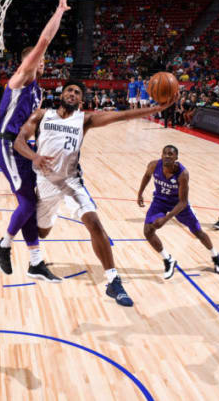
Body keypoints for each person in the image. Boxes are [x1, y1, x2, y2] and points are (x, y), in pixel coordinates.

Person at [14, 80, 177, 306]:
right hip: (45, 183)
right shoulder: (42, 115)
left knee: (94, 223)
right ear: (62, 94)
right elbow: (19, 140)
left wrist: (156, 109)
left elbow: (122, 116)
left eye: (77, 92)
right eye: (69, 90)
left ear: (81, 100)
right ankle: (36, 260)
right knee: (41, 232)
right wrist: (34, 157)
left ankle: (113, 280)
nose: (72, 94)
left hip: (72, 182)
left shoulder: (84, 120)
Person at [0, 0, 71, 282]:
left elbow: (29, 129)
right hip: (5, 143)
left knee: (31, 203)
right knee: (26, 205)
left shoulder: (38, 92)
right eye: (37, 58)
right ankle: (3, 244)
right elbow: (45, 39)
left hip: (22, 146)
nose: (41, 61)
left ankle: (36, 261)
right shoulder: (19, 78)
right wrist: (59, 11)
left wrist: (42, 148)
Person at [138, 145, 219, 279]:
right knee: (148, 231)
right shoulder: (153, 165)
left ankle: (215, 255)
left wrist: (165, 219)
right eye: (165, 153)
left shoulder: (183, 174)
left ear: (176, 158)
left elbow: (183, 201)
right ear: (161, 155)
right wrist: (140, 193)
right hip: (159, 201)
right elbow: (146, 176)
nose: (167, 156)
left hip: (178, 204)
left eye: (171, 154)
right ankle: (168, 260)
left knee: (198, 232)